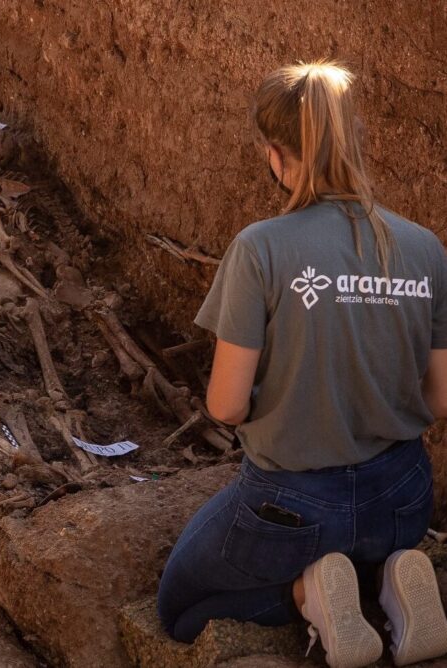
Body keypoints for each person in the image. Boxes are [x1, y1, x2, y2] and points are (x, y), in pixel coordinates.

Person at [156, 60, 447, 668]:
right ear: (357, 139)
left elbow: (227, 405)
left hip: (290, 507)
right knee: (363, 536)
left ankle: (306, 591)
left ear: (273, 152)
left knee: (179, 606)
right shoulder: (424, 248)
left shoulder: (261, 247)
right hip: (401, 499)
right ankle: (390, 580)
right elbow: (440, 398)